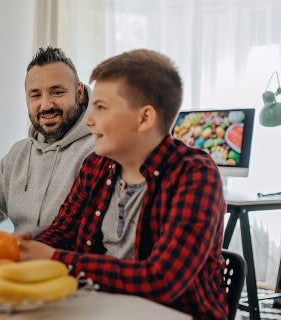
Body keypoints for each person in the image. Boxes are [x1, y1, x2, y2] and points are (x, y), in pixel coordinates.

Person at [16, 49, 227, 318]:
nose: (89, 120)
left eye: (101, 108)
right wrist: (18, 252)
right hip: (98, 310)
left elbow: (161, 280)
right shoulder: (95, 166)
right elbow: (61, 234)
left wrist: (53, 259)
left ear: (144, 118)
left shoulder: (194, 174)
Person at [0, 47, 94, 241]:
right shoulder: (19, 152)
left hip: (63, 266)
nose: (46, 105)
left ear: (80, 93)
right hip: (17, 261)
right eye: (35, 95)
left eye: (57, 92)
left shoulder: (98, 150)